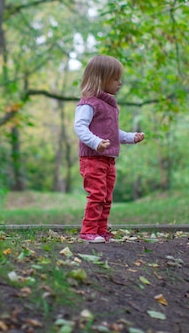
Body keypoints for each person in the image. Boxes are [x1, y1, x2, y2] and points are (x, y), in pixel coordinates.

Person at [74, 55, 145, 243]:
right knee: (97, 194)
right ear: (101, 79)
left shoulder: (109, 105)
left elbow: (112, 132)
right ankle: (88, 231)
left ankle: (101, 230)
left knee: (106, 196)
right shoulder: (89, 103)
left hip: (108, 159)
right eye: (116, 79)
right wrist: (96, 142)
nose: (120, 83)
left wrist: (130, 137)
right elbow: (80, 127)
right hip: (92, 158)